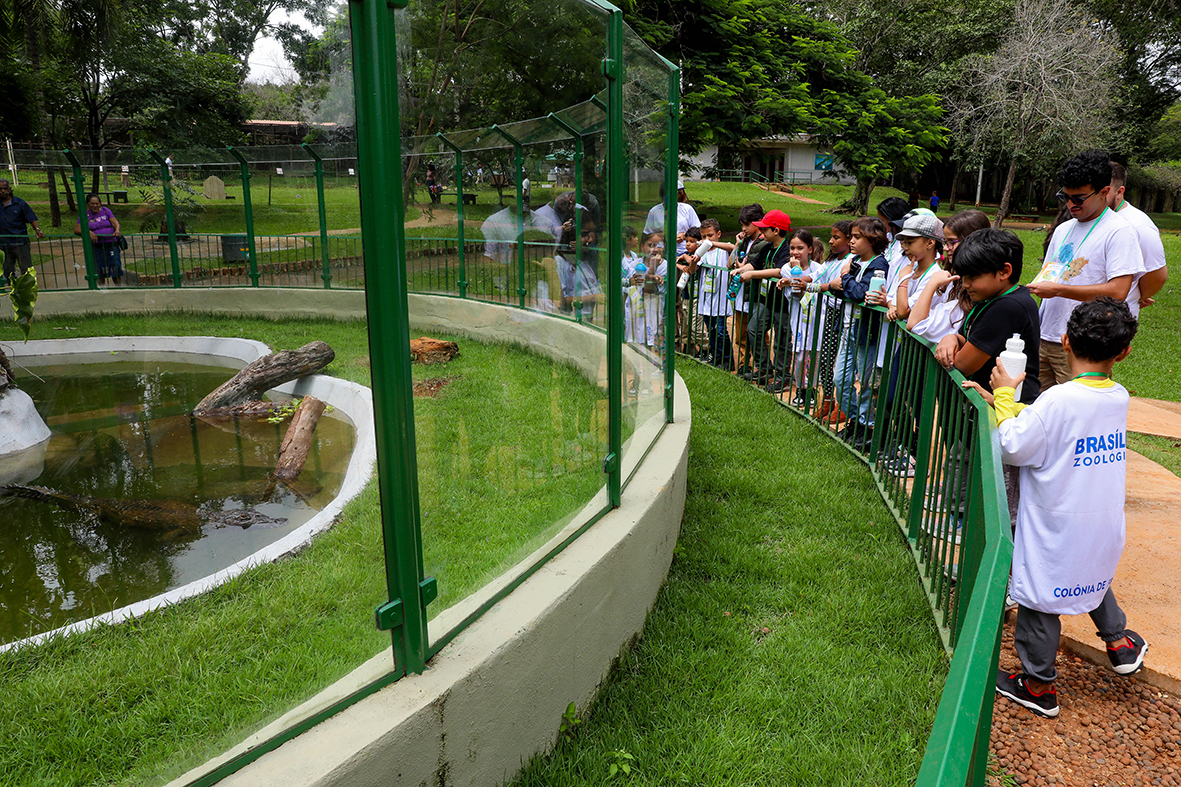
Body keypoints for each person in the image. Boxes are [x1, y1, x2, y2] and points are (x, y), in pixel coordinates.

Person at [985, 297, 1147, 718]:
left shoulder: (1058, 399)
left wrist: (1004, 396)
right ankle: (1119, 642)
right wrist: (1011, 403)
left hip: (1056, 520)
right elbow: (1058, 428)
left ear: (1064, 340)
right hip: (1101, 516)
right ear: (1124, 351)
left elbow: (1014, 445)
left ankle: (1039, 685)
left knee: (1040, 598)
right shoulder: (1118, 395)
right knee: (1091, 571)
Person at [1028, 150, 1143, 391]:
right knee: (1034, 412)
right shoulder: (1064, 229)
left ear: (1104, 192)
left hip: (1082, 346)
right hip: (1044, 337)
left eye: (1078, 198)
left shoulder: (1119, 231)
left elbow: (1119, 291)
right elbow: (1051, 275)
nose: (1070, 204)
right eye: (1065, 197)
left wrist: (1058, 290)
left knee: (1075, 420)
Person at [934, 228, 1041, 405]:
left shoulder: (1008, 306)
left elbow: (963, 364)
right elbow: (966, 337)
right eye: (963, 277)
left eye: (973, 276)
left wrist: (955, 349)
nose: (965, 284)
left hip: (1004, 410)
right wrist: (951, 338)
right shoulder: (989, 298)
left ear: (1004, 271)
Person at [829, 216, 890, 448]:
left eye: (857, 237)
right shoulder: (854, 261)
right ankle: (855, 418)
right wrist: (842, 284)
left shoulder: (878, 264)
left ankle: (865, 426)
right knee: (840, 379)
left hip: (866, 332)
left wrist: (844, 278)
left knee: (865, 384)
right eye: (851, 237)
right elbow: (840, 290)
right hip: (848, 328)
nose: (851, 241)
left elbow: (860, 293)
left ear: (872, 239)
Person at [737, 208, 793, 392]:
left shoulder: (787, 248)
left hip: (783, 303)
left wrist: (752, 274)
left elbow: (780, 271)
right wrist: (742, 270)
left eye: (765, 229)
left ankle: (782, 378)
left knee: (781, 341)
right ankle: (764, 369)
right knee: (753, 330)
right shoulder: (767, 246)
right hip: (766, 299)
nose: (761, 231)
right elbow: (755, 263)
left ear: (776, 231)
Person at [1107, 162, 1168, 315]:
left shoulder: (1139, 226)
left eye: (1103, 191)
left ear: (1120, 192)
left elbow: (1157, 275)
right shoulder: (1090, 219)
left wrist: (1134, 296)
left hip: (1113, 319)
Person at [728, 204, 770, 377]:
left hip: (755, 294)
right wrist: (738, 245)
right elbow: (730, 263)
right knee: (740, 334)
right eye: (742, 225)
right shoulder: (744, 240)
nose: (743, 229)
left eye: (746, 224)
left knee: (758, 333)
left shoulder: (764, 243)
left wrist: (745, 268)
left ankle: (762, 367)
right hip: (741, 294)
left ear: (758, 222)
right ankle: (745, 366)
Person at [692, 219, 733, 369]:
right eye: (703, 237)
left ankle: (727, 359)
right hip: (706, 298)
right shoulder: (702, 252)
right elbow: (692, 270)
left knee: (721, 331)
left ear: (718, 234)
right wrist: (693, 261)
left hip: (720, 299)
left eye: (710, 235)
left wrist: (711, 244)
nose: (706, 240)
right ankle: (715, 356)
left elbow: (733, 247)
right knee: (711, 330)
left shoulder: (723, 250)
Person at [0, 179, 45, 285]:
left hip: (19, 241)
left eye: (5, 188)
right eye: (0, 189)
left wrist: (37, 230)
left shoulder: (19, 203)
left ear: (9, 189)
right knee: (6, 268)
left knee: (25, 267)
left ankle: (28, 287)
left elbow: (32, 218)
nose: (2, 191)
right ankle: (11, 287)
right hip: (3, 243)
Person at [74, 193, 124, 285]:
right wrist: (88, 232)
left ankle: (119, 287)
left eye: (97, 203)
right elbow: (77, 229)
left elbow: (115, 222)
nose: (95, 206)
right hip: (97, 246)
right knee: (100, 268)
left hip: (111, 244)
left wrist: (117, 230)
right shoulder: (85, 215)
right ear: (88, 204)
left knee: (115, 266)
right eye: (92, 203)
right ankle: (101, 288)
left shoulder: (106, 211)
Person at [644, 180, 700, 258]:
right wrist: (661, 236)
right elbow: (647, 235)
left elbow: (698, 230)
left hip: (685, 251)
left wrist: (685, 235)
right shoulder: (654, 211)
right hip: (662, 252)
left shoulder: (687, 209)